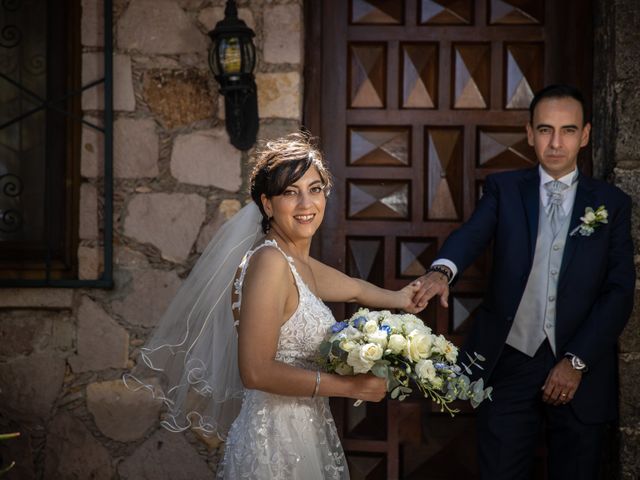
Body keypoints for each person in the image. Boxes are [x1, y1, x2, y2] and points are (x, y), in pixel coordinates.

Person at [125, 133, 425, 479]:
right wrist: (350, 387)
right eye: (289, 192)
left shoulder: (298, 263)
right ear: (267, 204)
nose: (305, 204)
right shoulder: (270, 262)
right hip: (274, 442)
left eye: (314, 189)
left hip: (305, 431)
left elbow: (356, 290)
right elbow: (255, 371)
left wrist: (404, 298)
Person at [413, 85, 634, 479]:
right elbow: (472, 233)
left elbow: (619, 292)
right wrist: (442, 270)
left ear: (584, 135)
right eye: (545, 130)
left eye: (567, 131)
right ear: (530, 133)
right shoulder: (504, 189)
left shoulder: (610, 204)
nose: (555, 142)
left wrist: (576, 360)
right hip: (509, 360)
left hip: (581, 368)